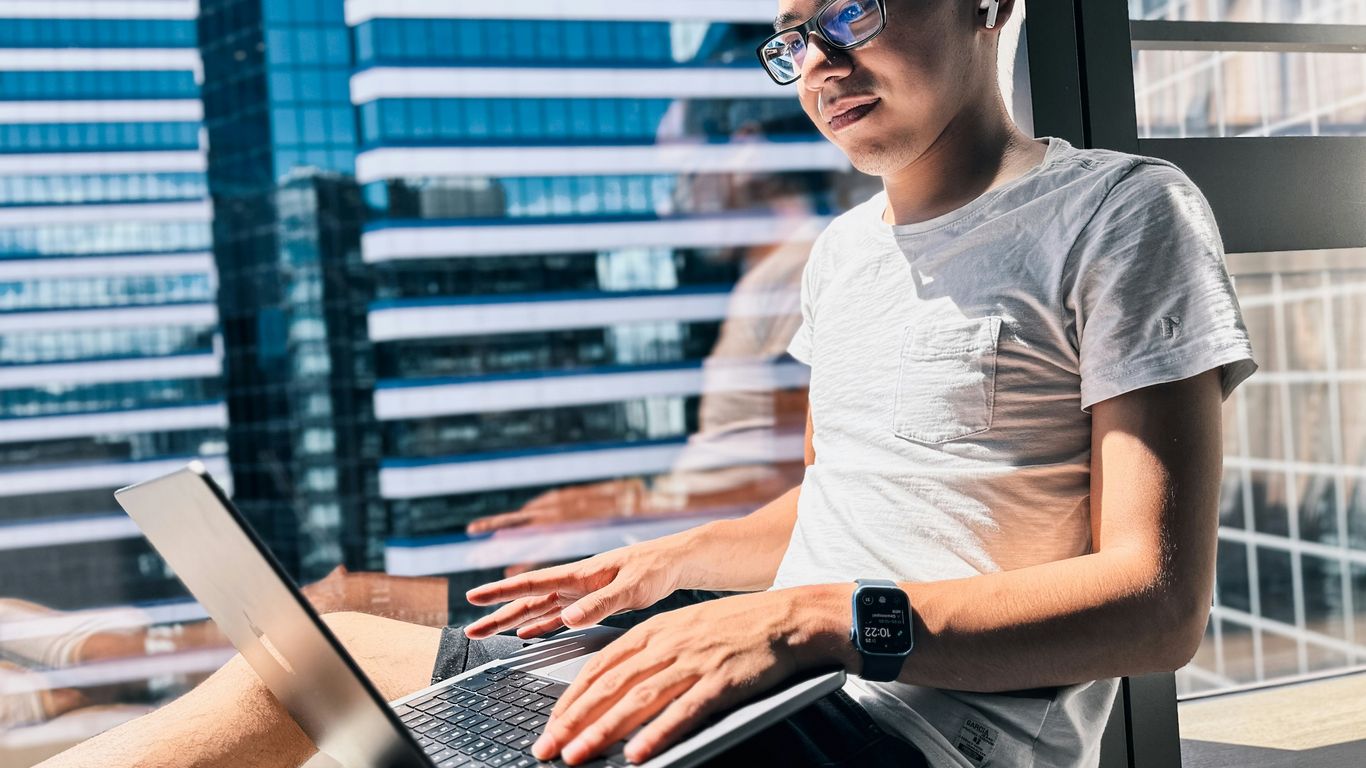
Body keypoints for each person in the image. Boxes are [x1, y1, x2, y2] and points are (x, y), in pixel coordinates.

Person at [37, 0, 1259, 765]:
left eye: (854, 9)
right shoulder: (840, 254)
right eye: (793, 38)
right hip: (768, 680)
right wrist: (673, 562)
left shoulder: (1120, 212)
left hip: (912, 730)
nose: (820, 58)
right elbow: (837, 499)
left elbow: (1156, 609)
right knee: (309, 669)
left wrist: (801, 617)